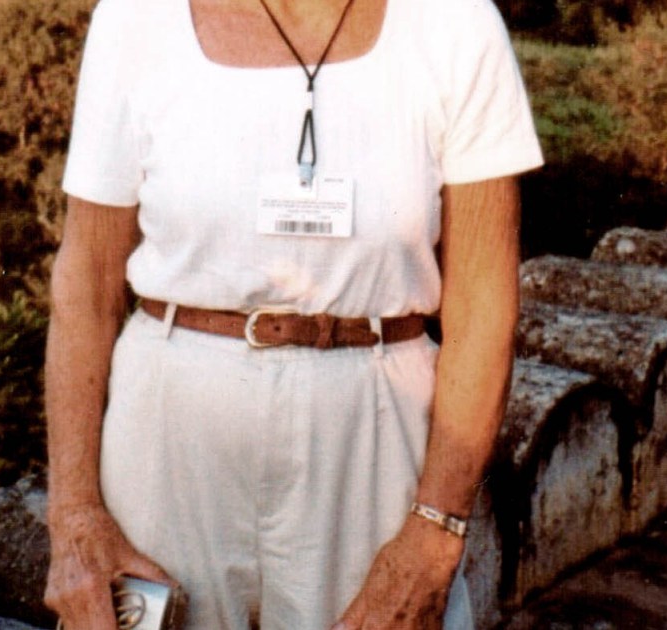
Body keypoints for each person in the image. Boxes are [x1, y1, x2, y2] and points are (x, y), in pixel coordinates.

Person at [42, 0, 543, 627]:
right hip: (165, 442)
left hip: (375, 439)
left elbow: (483, 304)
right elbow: (86, 283)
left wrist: (435, 534)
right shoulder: (135, 18)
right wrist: (74, 515)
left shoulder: (456, 23)